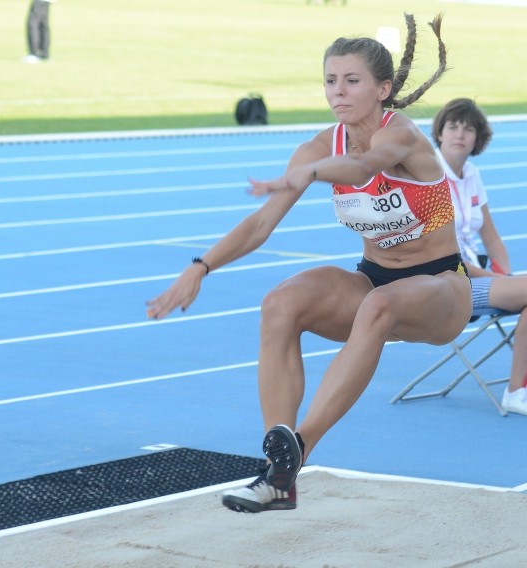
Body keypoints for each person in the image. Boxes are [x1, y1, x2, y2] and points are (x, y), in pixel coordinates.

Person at [146, 14, 466, 513]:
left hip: (442, 286)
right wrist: (200, 266)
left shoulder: (401, 137)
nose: (338, 92)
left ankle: (296, 453)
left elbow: (362, 167)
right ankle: (277, 467)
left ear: (382, 89)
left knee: (380, 305)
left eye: (352, 81)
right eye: (330, 80)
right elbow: (259, 226)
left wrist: (311, 174)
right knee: (281, 302)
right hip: (373, 279)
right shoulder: (318, 147)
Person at [432, 98, 527, 418]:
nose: (460, 134)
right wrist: (497, 281)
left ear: (478, 137)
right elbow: (445, 255)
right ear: (440, 133)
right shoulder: (430, 177)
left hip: (478, 276)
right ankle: (517, 391)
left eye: (468, 128)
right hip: (448, 283)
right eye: (452, 127)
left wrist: (505, 273)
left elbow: (491, 236)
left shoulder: (471, 173)